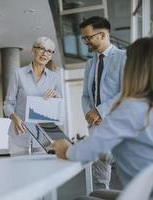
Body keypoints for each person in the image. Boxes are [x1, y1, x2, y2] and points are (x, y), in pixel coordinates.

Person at [53, 37, 153, 199]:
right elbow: (139, 153)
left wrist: (66, 149)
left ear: (134, 69)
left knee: (80, 199)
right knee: (96, 193)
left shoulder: (132, 108)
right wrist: (104, 152)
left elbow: (85, 152)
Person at [80, 16, 126, 190]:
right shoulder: (90, 64)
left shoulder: (123, 57)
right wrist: (91, 116)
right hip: (96, 128)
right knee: (100, 180)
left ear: (103, 34)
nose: (85, 42)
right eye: (83, 38)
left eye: (88, 37)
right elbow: (85, 96)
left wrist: (100, 111)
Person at [3, 36, 62, 154]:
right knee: (17, 171)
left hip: (43, 137)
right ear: (33, 50)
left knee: (41, 171)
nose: (45, 53)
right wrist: (14, 117)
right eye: (42, 49)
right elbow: (8, 104)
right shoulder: (18, 74)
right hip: (19, 135)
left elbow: (59, 107)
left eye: (49, 51)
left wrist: (56, 97)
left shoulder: (55, 78)